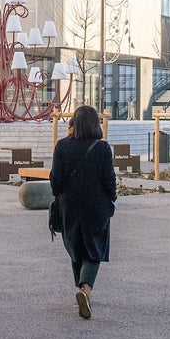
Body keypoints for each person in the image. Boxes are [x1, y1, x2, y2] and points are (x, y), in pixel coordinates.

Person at [50, 104, 117, 320]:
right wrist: (112, 199)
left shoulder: (62, 146)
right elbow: (109, 181)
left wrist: (60, 195)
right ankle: (85, 290)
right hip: (96, 206)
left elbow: (55, 180)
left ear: (73, 123)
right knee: (94, 248)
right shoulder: (102, 147)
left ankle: (81, 289)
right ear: (95, 124)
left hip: (69, 205)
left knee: (76, 246)